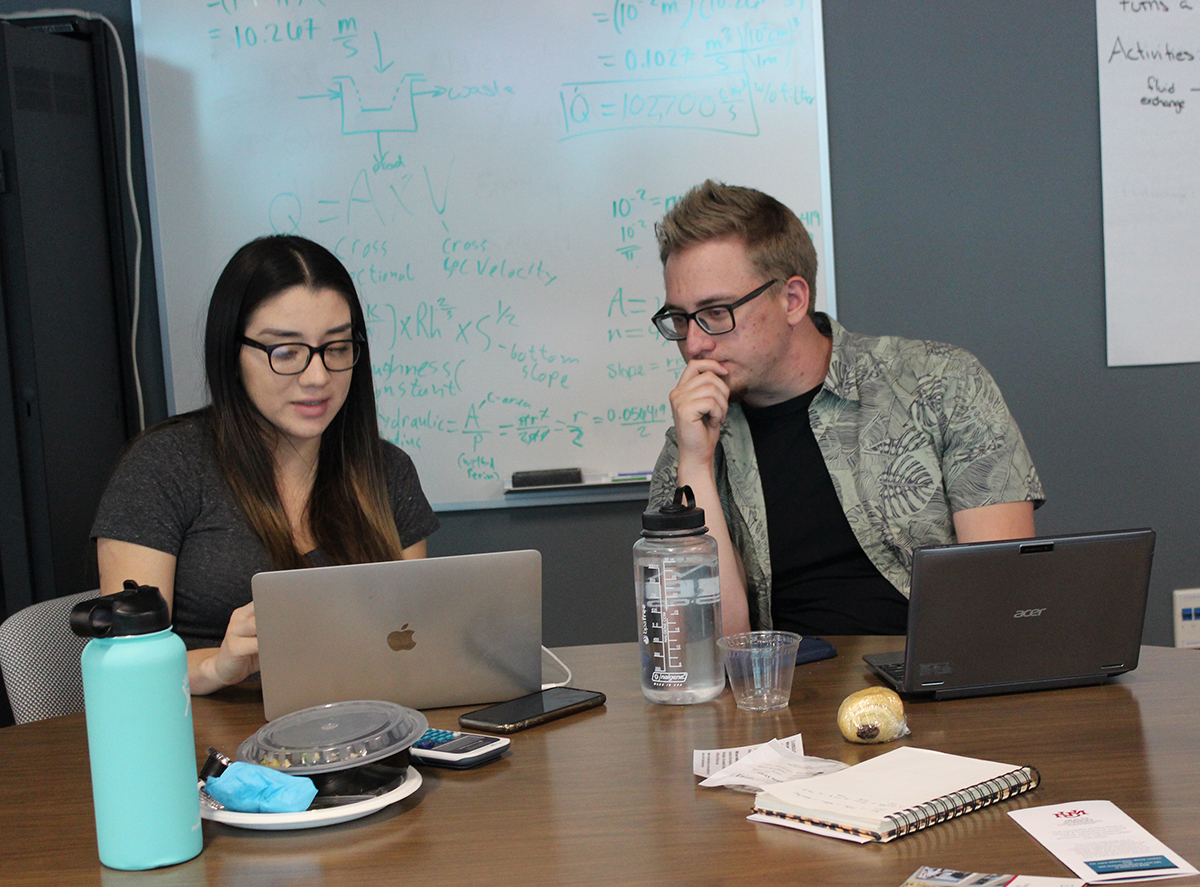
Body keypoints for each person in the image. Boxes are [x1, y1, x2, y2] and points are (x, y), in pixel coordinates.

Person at [647, 181, 1044, 638]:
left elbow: (1002, 598)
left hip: (933, 682)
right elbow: (706, 646)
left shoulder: (941, 383)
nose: (694, 343)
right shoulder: (690, 444)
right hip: (779, 695)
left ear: (792, 300)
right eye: (679, 319)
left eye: (716, 312)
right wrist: (695, 463)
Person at [92, 235, 439, 694]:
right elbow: (128, 663)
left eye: (336, 348)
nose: (317, 377)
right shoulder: (164, 467)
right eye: (286, 352)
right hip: (210, 745)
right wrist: (218, 665)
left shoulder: (387, 470)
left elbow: (410, 645)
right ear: (233, 355)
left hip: (361, 734)